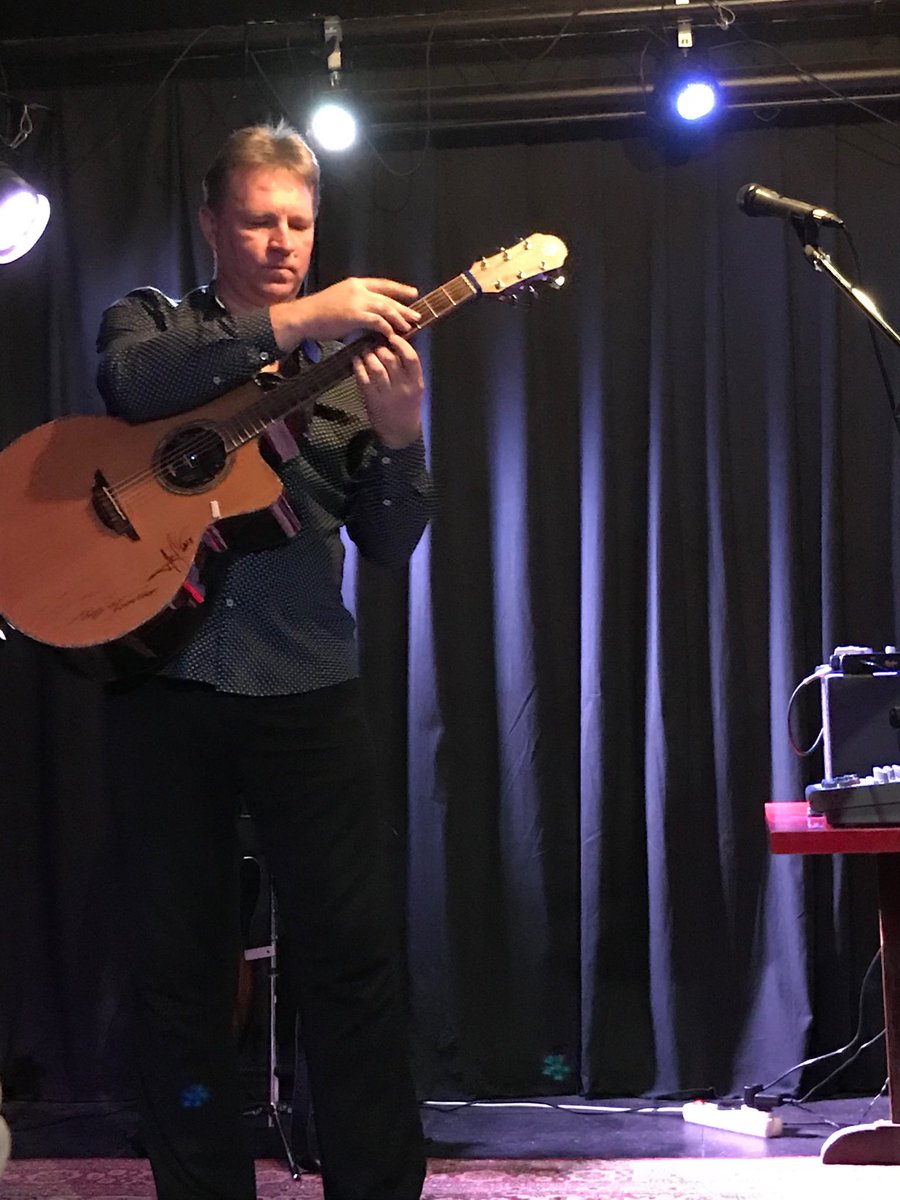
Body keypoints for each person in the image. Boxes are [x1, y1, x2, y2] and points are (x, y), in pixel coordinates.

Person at [96, 121, 431, 1200]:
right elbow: (133, 384)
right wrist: (296, 319)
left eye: (299, 223)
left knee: (354, 963)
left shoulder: (351, 367)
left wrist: (404, 436)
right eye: (258, 219)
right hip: (168, 687)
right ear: (210, 222)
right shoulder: (152, 321)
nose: (282, 240)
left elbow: (389, 544)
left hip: (309, 692)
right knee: (180, 973)